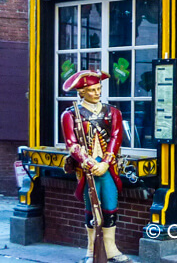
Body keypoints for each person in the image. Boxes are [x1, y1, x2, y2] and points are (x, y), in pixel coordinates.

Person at [61, 69, 131, 263]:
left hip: (108, 167)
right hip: (87, 169)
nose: (97, 93)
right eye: (91, 90)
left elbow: (116, 138)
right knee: (91, 207)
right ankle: (92, 250)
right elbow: (71, 143)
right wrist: (88, 162)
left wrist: (106, 162)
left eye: (98, 88)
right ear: (82, 92)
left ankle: (111, 248)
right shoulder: (70, 115)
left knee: (110, 204)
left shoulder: (112, 112)